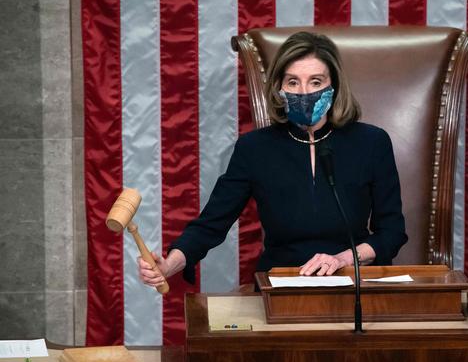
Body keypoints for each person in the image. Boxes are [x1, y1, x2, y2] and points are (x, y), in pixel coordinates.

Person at [138, 31, 407, 288]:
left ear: (333, 86)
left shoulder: (371, 142)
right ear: (279, 88)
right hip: (281, 283)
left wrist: (343, 259)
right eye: (293, 82)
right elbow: (212, 223)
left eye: (316, 81)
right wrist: (169, 265)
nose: (304, 92)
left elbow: (392, 232)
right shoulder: (255, 148)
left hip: (353, 281)